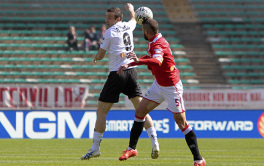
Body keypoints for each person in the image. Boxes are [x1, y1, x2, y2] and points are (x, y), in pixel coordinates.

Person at [117, 18, 206, 166]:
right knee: (140, 111)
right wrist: (131, 63)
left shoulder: (159, 44)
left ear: (146, 32)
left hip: (172, 87)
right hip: (159, 85)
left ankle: (199, 159)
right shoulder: (155, 41)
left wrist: (138, 61)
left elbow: (157, 60)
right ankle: (131, 148)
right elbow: (151, 58)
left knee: (181, 122)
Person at [80, 3, 160, 160]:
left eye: (110, 18)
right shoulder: (128, 26)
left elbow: (102, 55)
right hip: (132, 72)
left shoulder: (110, 32)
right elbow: (132, 19)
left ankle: (95, 148)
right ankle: (155, 144)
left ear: (117, 19)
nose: (107, 20)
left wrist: (96, 56)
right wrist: (131, 10)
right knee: (141, 110)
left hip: (117, 73)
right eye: (106, 17)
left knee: (101, 110)